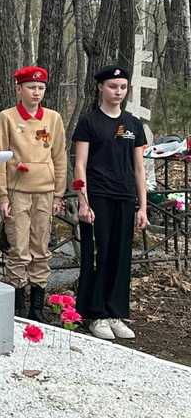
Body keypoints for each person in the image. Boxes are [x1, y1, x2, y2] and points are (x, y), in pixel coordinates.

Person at [72, 66, 148, 340]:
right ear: (101, 88)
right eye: (113, 86)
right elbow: (80, 165)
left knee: (121, 256)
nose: (118, 92)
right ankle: (94, 314)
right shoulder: (89, 122)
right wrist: (83, 202)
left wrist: (143, 206)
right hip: (98, 197)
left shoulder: (133, 125)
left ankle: (115, 312)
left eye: (123, 87)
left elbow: (139, 168)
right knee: (98, 255)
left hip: (125, 197)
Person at [0, 66, 67, 321]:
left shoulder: (53, 118)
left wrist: (59, 193)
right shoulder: (7, 117)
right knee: (19, 248)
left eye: (41, 88)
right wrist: (2, 195)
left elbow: (59, 156)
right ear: (19, 89)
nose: (36, 93)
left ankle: (37, 308)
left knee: (41, 248)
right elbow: (0, 159)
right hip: (17, 192)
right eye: (31, 87)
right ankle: (17, 308)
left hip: (45, 192)